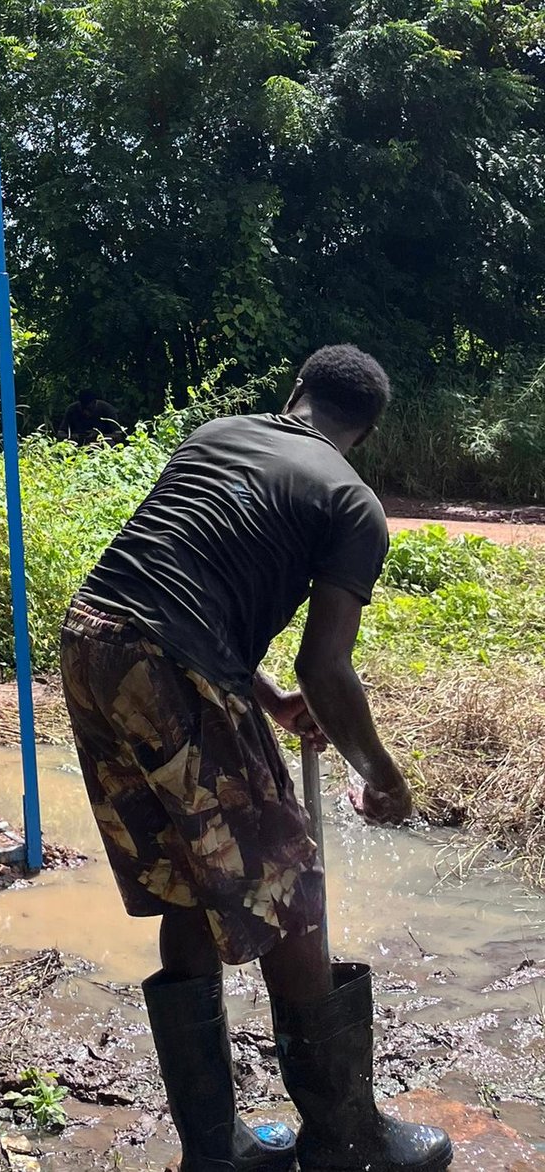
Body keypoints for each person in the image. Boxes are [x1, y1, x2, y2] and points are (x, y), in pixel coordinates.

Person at [60, 346, 452, 1172]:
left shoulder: (219, 434)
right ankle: (349, 1141)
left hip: (93, 638)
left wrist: (265, 699)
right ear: (366, 432)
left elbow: (174, 582)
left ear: (296, 391)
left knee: (187, 883)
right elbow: (326, 666)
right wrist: (382, 775)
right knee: (292, 890)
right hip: (174, 661)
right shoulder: (351, 498)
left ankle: (216, 1150)